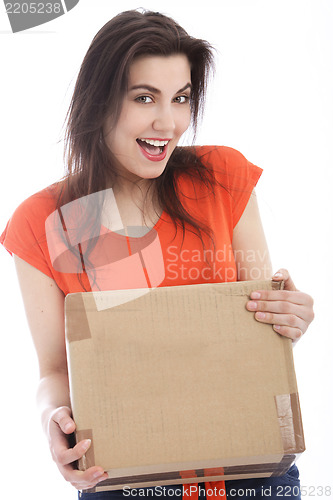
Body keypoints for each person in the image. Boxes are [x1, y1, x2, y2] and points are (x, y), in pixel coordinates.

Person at [1, 9, 314, 500]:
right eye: (144, 98)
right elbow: (54, 371)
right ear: (99, 102)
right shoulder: (43, 221)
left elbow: (257, 331)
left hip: (252, 475)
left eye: (181, 99)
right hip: (124, 482)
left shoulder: (222, 177)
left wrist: (287, 316)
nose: (168, 123)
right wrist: (52, 420)